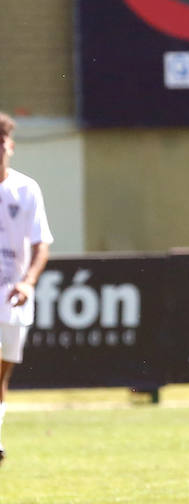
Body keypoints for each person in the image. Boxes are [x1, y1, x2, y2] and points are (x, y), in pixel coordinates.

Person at [0, 112, 53, 462]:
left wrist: (28, 281)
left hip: (11, 297)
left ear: (11, 147)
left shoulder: (26, 188)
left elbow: (41, 244)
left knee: (1, 374)